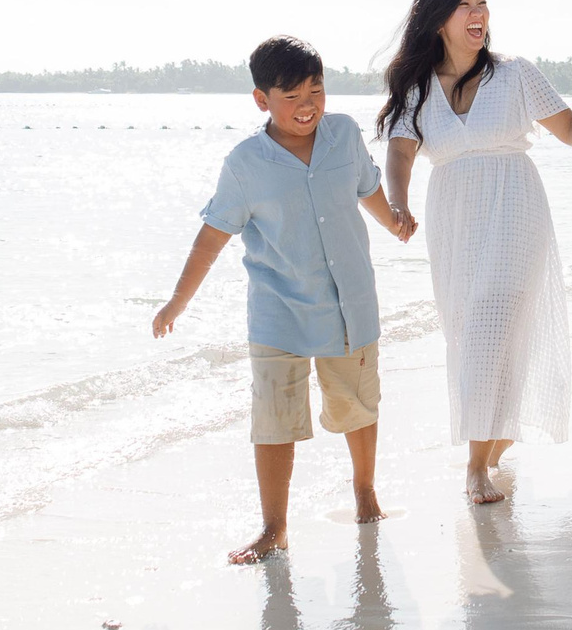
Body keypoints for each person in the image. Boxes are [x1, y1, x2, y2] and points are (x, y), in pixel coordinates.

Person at [152, 36, 415, 564]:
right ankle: (274, 528)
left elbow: (366, 187)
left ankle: (365, 494)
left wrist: (393, 222)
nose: (307, 105)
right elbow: (212, 237)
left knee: (358, 405)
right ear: (261, 99)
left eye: (316, 90)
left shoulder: (344, 135)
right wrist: (177, 302)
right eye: (291, 96)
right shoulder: (245, 164)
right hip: (278, 310)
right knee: (274, 419)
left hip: (349, 303)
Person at [378, 0, 572, 505]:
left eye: (482, 3)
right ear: (437, 20)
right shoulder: (418, 88)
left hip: (515, 208)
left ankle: (475, 467)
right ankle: (494, 439)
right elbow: (399, 152)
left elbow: (568, 126)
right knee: (470, 335)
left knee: (492, 326)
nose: (478, 13)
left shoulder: (514, 74)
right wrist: (398, 202)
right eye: (465, 5)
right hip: (453, 219)